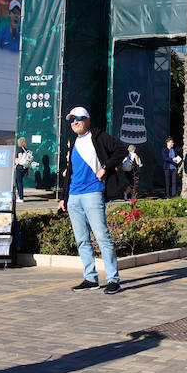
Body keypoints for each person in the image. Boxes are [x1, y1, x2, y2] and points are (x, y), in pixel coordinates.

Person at [57, 106, 126, 292]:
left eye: (78, 118)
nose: (74, 122)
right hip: (73, 196)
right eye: (71, 119)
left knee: (102, 238)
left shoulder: (98, 136)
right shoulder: (72, 142)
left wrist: (105, 167)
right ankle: (90, 278)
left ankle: (113, 279)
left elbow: (121, 150)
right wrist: (64, 197)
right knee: (81, 240)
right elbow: (69, 172)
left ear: (87, 119)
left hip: (93, 193)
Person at [13, 137, 32, 202]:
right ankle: (20, 196)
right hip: (25, 168)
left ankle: (20, 197)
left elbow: (20, 157)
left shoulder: (20, 149)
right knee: (18, 181)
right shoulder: (26, 150)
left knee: (19, 182)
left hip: (20, 167)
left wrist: (16, 165)